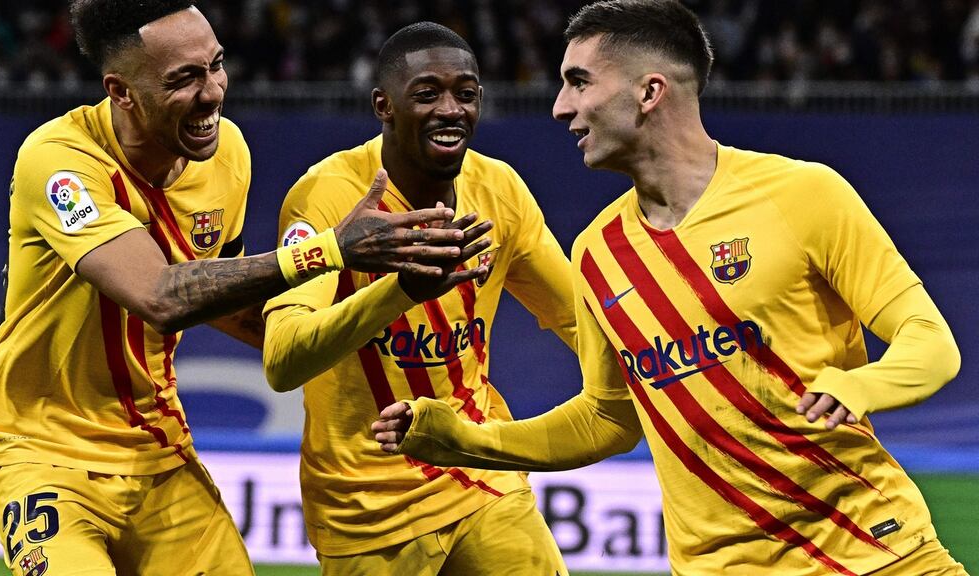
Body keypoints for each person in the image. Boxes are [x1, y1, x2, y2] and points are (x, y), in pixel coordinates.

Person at [372, 1, 968, 574]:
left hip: (874, 554)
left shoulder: (805, 195)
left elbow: (930, 343)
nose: (559, 107)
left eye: (579, 82)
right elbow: (606, 419)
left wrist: (861, 384)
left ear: (649, 92)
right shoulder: (597, 252)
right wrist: (461, 440)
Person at [0, 2, 480, 575]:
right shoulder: (60, 161)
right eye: (183, 78)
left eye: (215, 66)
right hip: (41, 455)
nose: (212, 93)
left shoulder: (227, 153)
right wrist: (330, 250)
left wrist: (356, 338)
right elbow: (161, 295)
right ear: (122, 91)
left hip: (155, 449)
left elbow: (223, 299)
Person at [262, 22, 575, 576]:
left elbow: (580, 318)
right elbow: (284, 359)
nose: (451, 109)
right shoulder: (327, 196)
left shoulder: (500, 189)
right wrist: (401, 291)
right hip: (366, 507)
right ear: (384, 105)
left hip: (479, 472)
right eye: (427, 94)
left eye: (466, 93)